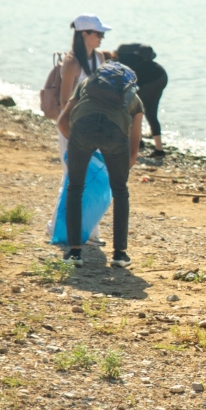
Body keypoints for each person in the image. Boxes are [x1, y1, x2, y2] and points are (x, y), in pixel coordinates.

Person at [57, 61, 144, 268]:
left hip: (82, 127)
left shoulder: (86, 84)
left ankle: (75, 253)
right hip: (114, 132)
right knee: (120, 191)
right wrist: (122, 165)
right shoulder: (134, 97)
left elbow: (62, 122)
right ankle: (119, 254)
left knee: (75, 188)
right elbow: (134, 143)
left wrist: (80, 145)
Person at [46, 14, 110, 244]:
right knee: (72, 176)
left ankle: (89, 231)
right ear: (84, 34)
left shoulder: (99, 58)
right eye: (98, 33)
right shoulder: (72, 62)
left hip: (94, 125)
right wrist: (73, 130)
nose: (102, 38)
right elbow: (65, 101)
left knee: (92, 175)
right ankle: (55, 226)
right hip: (72, 126)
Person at [116, 43, 168, 157]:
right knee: (150, 113)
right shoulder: (128, 55)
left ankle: (138, 143)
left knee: (134, 111)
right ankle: (158, 150)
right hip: (161, 76)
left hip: (152, 81)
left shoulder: (120, 62)